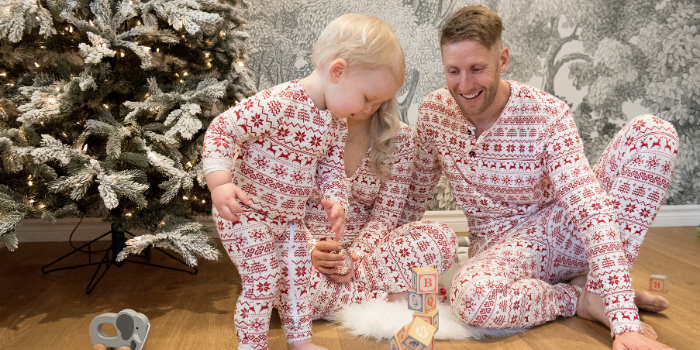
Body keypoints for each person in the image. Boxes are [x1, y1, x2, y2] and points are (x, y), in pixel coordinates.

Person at [402, 5, 678, 350]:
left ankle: (602, 287)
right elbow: (414, 196)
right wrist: (389, 262)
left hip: (565, 230)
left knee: (653, 132)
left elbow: (589, 205)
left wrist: (624, 319)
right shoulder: (434, 112)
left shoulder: (547, 113)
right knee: (472, 297)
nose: (465, 84)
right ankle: (581, 297)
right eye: (453, 71)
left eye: (477, 69)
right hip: (504, 253)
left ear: (502, 59)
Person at [202, 13, 404, 350]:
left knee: (294, 279)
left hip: (289, 219)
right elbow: (222, 129)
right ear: (337, 72)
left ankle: (299, 341)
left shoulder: (335, 122)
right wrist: (220, 183)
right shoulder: (280, 103)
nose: (370, 108)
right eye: (368, 98)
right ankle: (252, 346)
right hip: (247, 213)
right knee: (263, 280)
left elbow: (330, 168)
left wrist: (336, 199)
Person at [303, 92, 458, 318]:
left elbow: (384, 218)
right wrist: (310, 251)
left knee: (441, 238)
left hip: (367, 257)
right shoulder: (303, 129)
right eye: (361, 91)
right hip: (306, 254)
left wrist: (353, 258)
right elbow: (287, 210)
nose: (366, 104)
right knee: (282, 278)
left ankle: (337, 296)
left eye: (374, 93)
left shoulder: (401, 138)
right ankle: (391, 298)